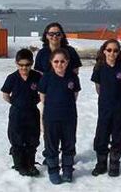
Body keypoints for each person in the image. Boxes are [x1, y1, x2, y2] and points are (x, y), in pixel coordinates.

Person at [38, 48, 81, 184]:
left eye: (62, 61)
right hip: (51, 118)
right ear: (51, 62)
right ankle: (53, 170)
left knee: (69, 144)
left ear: (67, 62)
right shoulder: (46, 78)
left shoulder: (73, 78)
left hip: (69, 117)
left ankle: (67, 169)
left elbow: (74, 96)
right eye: (56, 61)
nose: (59, 64)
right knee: (51, 145)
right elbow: (43, 99)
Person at [90, 39, 121, 177]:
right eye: (109, 50)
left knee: (118, 134)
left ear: (119, 52)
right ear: (104, 51)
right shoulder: (99, 68)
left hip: (119, 108)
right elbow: (98, 88)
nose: (112, 53)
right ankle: (101, 163)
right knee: (102, 135)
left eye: (115, 50)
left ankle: (114, 162)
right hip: (104, 108)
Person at [1, 48, 42, 177]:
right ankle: (20, 165)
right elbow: (5, 95)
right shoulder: (12, 78)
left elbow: (43, 93)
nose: (24, 68)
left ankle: (30, 164)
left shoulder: (37, 77)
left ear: (32, 63)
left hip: (32, 112)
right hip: (17, 113)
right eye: (21, 65)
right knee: (17, 139)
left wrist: (35, 101)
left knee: (32, 139)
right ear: (16, 63)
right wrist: (15, 103)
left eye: (27, 65)